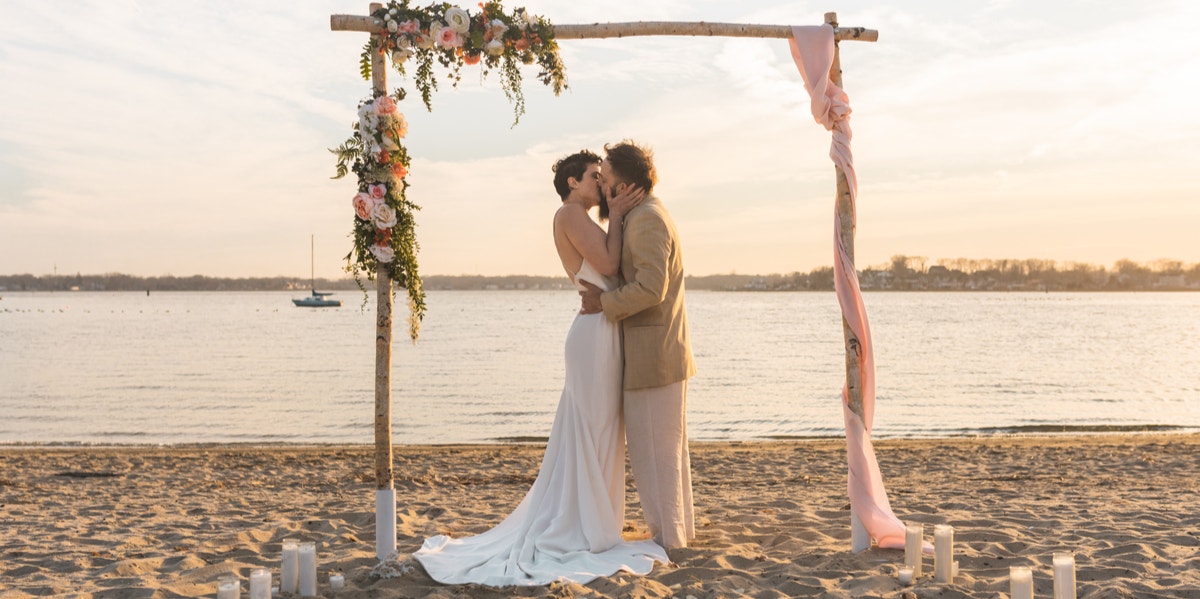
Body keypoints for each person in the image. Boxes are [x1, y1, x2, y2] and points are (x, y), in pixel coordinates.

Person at [412, 150, 668, 586]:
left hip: (602, 328)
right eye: (594, 177)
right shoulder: (568, 214)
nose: (602, 185)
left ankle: (594, 521)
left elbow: (610, 264)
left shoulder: (582, 217)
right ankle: (583, 525)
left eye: (603, 178)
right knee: (591, 430)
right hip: (593, 336)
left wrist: (617, 217)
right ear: (572, 182)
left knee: (600, 430)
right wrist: (621, 214)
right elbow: (607, 265)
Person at [579, 140, 696, 552]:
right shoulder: (643, 214)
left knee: (654, 457)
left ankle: (669, 540)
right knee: (668, 454)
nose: (602, 187)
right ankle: (678, 533)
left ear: (625, 185)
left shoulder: (647, 220)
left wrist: (603, 303)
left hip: (654, 358)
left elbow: (651, 287)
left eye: (606, 179)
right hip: (661, 354)